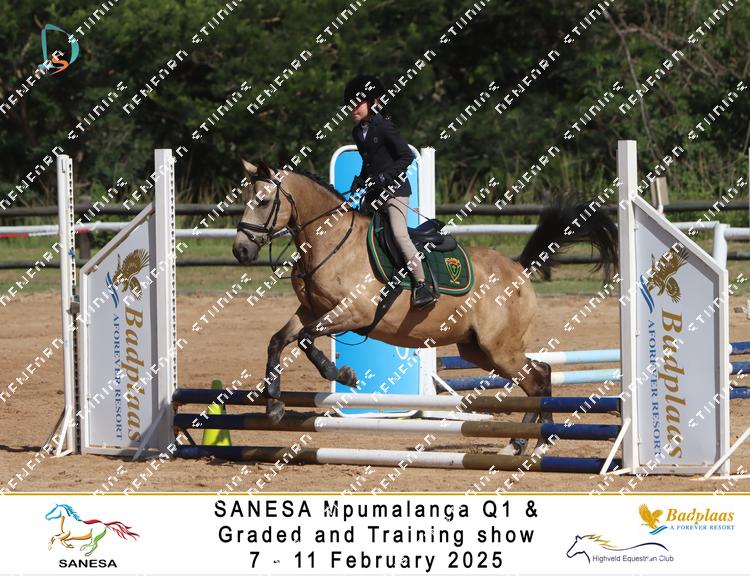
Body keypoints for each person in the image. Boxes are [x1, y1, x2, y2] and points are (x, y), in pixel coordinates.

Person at [343, 75, 436, 309]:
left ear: (372, 103)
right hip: (374, 193)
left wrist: (386, 176)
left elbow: (406, 157)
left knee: (399, 235)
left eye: (357, 103)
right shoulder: (358, 132)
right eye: (351, 104)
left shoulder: (384, 126)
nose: (352, 109)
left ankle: (422, 284)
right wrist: (360, 180)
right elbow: (369, 162)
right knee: (359, 231)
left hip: (395, 191)